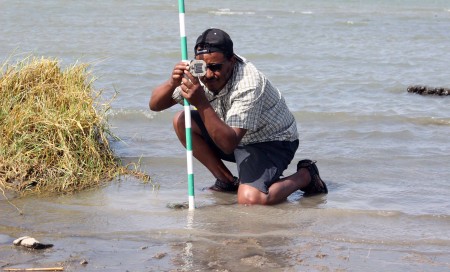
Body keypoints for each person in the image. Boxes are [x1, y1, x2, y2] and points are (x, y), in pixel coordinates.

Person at [149, 28, 328, 205]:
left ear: (232, 61)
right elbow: (155, 105)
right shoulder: (199, 73)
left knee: (251, 199)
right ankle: (226, 181)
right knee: (181, 120)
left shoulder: (249, 83)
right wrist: (172, 82)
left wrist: (202, 102)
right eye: (203, 67)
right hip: (230, 133)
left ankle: (305, 176)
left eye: (216, 67)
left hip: (270, 141)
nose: (209, 75)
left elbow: (228, 145)